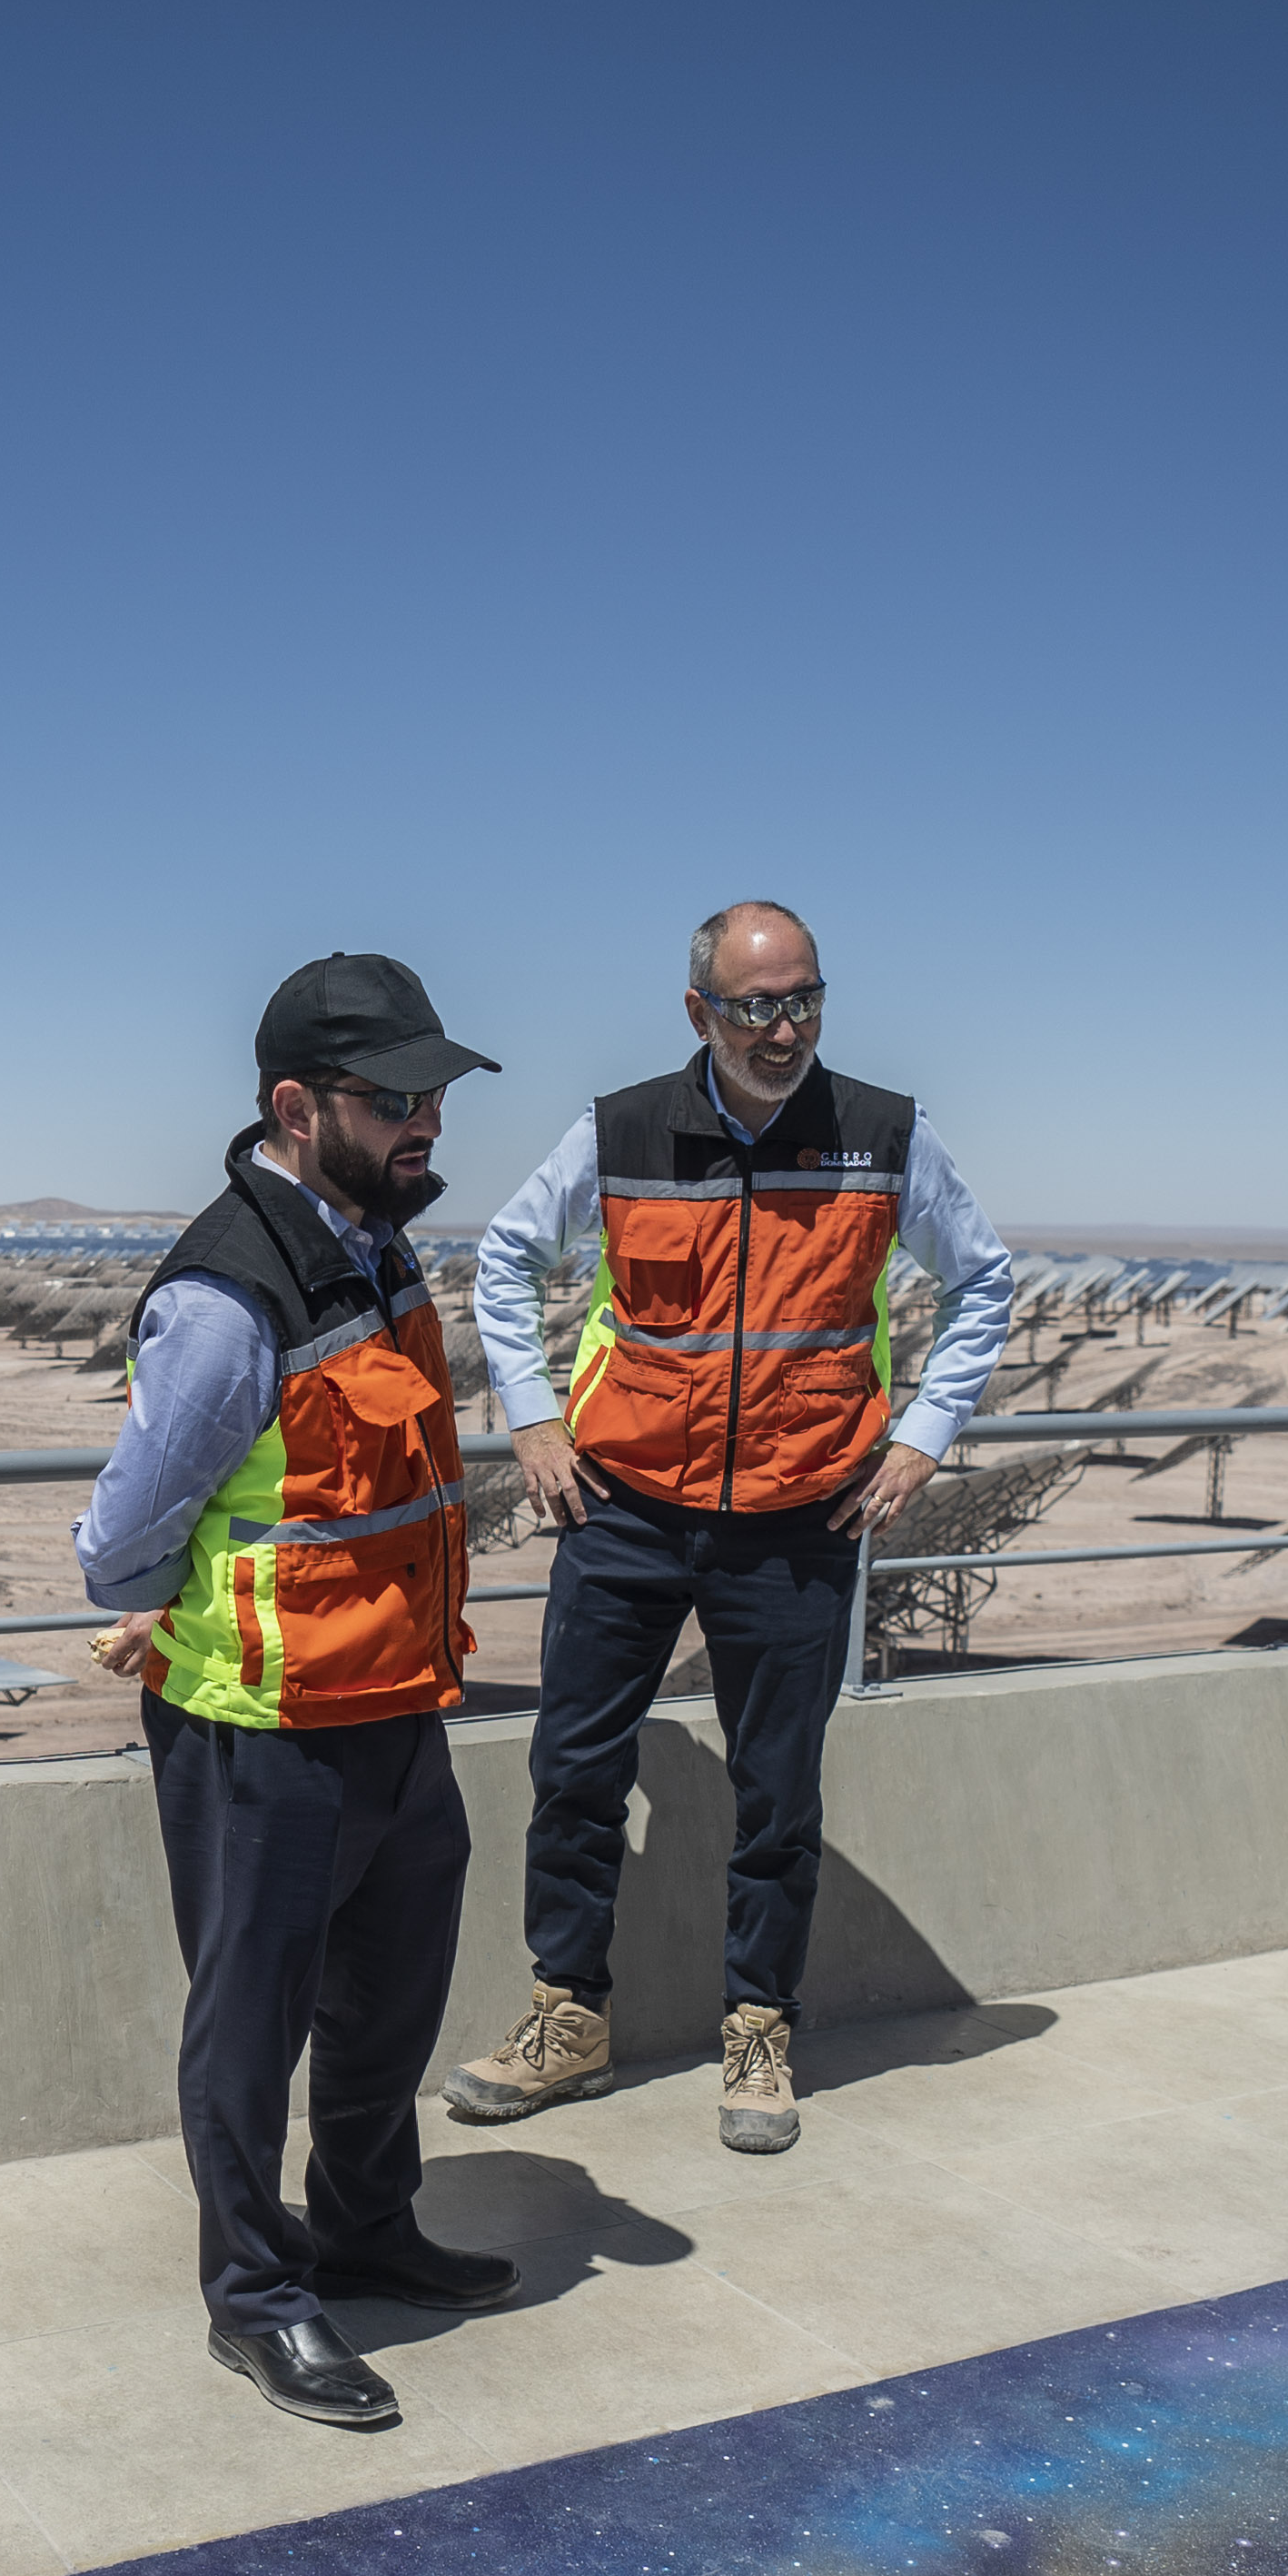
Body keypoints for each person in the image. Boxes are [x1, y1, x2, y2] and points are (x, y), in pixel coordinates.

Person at [449, 900, 1014, 2154]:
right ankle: (567, 2017)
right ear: (699, 1009)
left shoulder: (883, 1136)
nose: (785, 1026)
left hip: (800, 1515)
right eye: (756, 1004)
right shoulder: (621, 1130)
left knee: (777, 1793)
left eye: (805, 997)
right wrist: (534, 1421)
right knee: (574, 1771)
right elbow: (503, 1260)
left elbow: (983, 1282)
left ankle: (759, 2028)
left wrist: (920, 1438)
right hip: (625, 1505)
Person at [73, 952, 520, 2431]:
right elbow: (121, 1536)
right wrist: (164, 1612)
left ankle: (367, 2227)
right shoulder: (225, 1293)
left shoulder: (376, 1247)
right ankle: (258, 2298)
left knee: (391, 2002)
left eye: (434, 1098)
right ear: (293, 1104)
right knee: (251, 2023)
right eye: (393, 1099)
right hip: (258, 1732)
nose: (425, 1126)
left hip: (395, 1711)